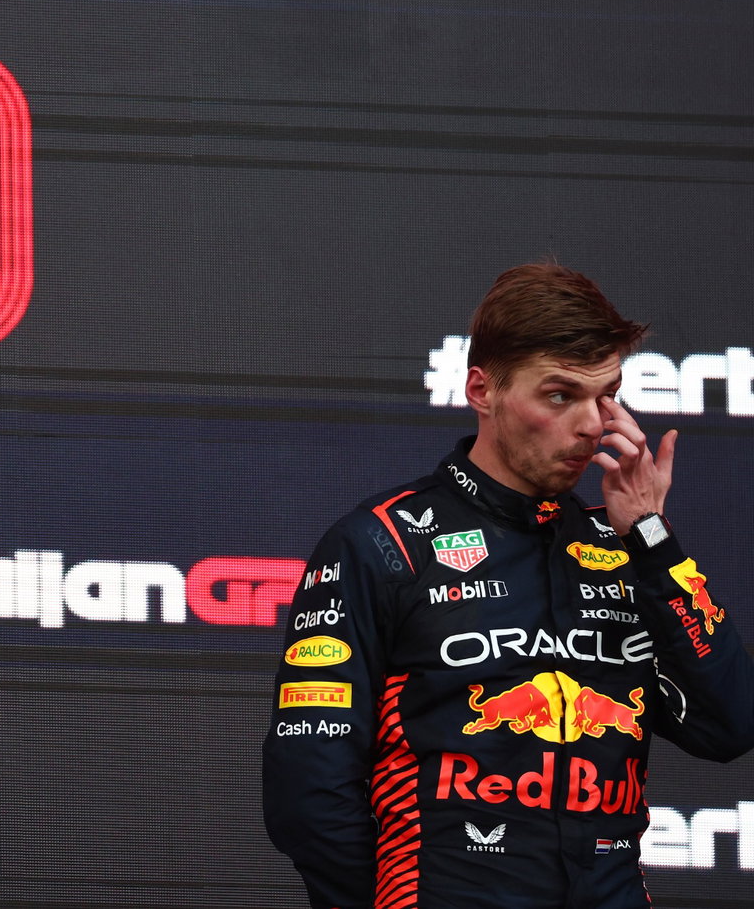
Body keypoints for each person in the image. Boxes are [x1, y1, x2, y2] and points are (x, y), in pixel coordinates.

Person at [262, 263, 754, 909]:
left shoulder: (628, 548)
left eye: (606, 395)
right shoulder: (382, 544)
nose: (591, 425)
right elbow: (307, 795)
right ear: (481, 389)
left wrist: (654, 541)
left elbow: (731, 723)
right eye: (560, 396)